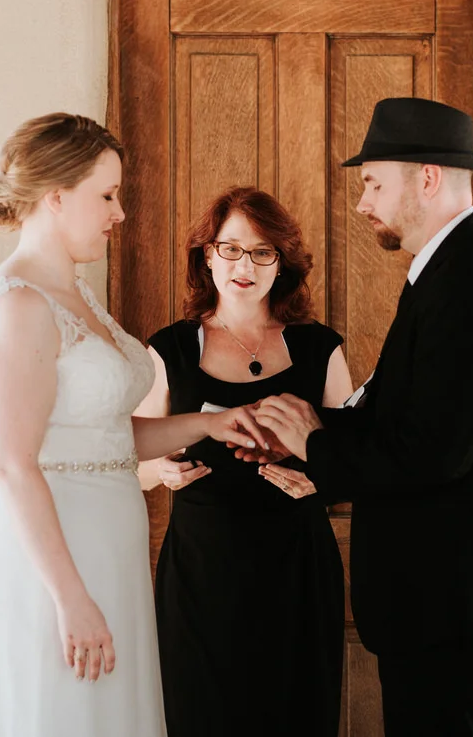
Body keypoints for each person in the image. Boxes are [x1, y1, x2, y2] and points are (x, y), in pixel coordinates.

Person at [249, 98, 473, 737]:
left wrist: (316, 447)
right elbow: (412, 417)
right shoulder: (450, 272)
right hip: (445, 598)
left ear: (426, 178)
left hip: (461, 600)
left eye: (373, 183)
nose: (361, 203)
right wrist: (311, 434)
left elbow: (433, 452)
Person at [0, 113, 258, 737]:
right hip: (51, 566)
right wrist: (70, 598)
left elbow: (106, 439)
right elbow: (12, 464)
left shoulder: (78, 295)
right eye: (107, 196)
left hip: (107, 549)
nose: (120, 213)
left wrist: (213, 424)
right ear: (56, 196)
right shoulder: (19, 305)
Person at [135, 186, 353, 737]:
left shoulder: (320, 347)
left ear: (281, 263)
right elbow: (129, 460)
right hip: (202, 573)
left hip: (298, 569)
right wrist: (161, 471)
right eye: (230, 249)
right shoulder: (170, 348)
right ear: (207, 256)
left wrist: (319, 481)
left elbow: (353, 458)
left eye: (262, 252)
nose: (244, 266)